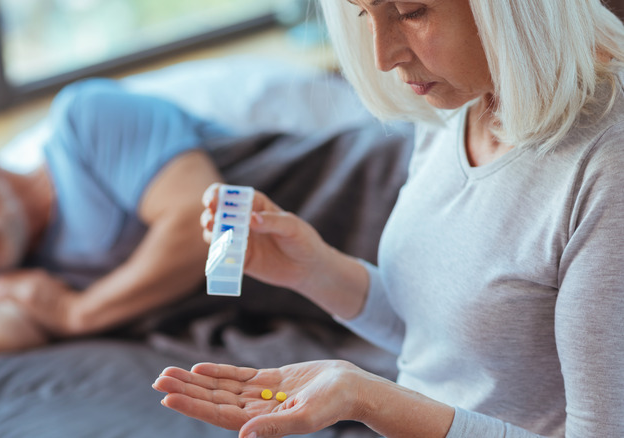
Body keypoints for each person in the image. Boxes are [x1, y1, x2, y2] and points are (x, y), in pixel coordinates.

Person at [153, 0, 624, 437]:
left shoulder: (607, 168)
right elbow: (441, 341)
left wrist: (368, 399)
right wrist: (313, 270)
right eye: (363, 14)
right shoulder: (461, 105)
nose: (382, 56)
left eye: (410, 11)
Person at [0, 77, 413, 364]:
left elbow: (216, 231)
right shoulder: (2, 271)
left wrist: (78, 312)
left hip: (385, 194)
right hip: (346, 299)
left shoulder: (85, 123)